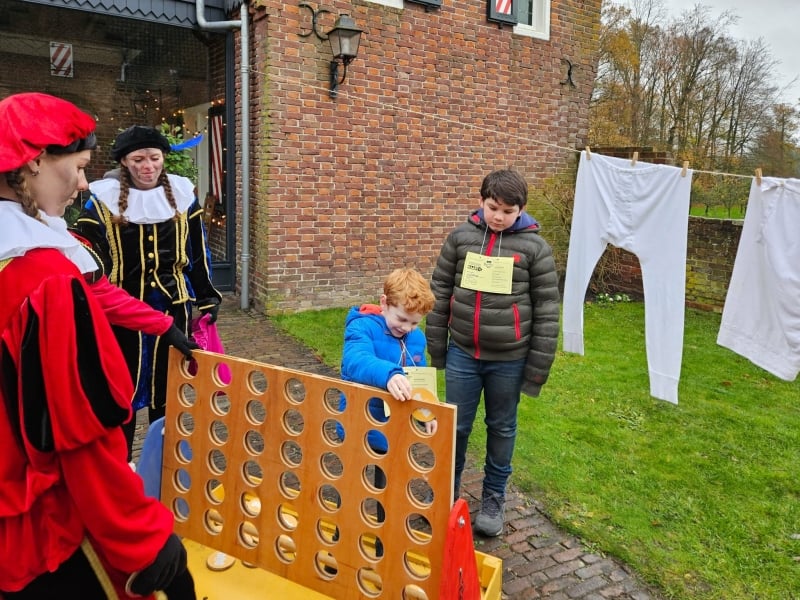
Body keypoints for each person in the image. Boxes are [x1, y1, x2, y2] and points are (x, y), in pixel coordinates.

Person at [0, 92, 195, 598]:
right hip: (41, 515)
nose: (85, 182)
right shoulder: (46, 280)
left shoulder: (31, 253)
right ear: (35, 162)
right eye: (81, 165)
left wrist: (162, 324)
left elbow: (99, 289)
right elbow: (81, 436)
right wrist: (143, 539)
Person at [425, 168, 560, 537]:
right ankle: (444, 497)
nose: (498, 216)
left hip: (510, 360)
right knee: (455, 427)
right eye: (492, 207)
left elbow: (547, 311)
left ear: (522, 210)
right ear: (481, 201)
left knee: (501, 427)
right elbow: (438, 293)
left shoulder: (536, 249)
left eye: (507, 210)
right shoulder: (460, 238)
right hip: (463, 355)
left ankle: (493, 499)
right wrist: (436, 349)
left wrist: (535, 371)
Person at [74, 125, 221, 457]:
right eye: (138, 159)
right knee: (120, 394)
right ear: (125, 162)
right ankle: (121, 466)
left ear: (163, 159)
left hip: (175, 312)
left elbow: (198, 252)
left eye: (154, 158)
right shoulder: (102, 203)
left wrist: (208, 297)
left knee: (169, 395)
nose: (148, 166)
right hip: (123, 316)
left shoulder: (183, 197)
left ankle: (165, 469)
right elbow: (85, 254)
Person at [338, 267, 437, 557]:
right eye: (402, 319)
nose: (407, 328)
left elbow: (417, 378)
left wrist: (426, 413)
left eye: (415, 323)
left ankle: (381, 548)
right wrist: (389, 374)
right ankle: (338, 547)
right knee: (350, 490)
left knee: (387, 491)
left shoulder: (415, 338)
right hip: (358, 423)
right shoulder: (361, 327)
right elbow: (354, 361)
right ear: (384, 303)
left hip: (392, 429)